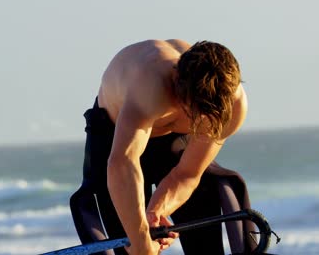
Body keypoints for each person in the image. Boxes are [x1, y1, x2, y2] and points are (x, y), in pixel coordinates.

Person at [70, 39, 255, 255]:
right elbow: (122, 162)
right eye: (195, 112)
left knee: (205, 208)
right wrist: (141, 242)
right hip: (116, 138)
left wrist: (154, 215)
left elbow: (187, 174)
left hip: (173, 140)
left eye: (207, 117)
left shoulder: (234, 106)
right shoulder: (151, 84)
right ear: (177, 85)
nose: (201, 120)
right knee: (132, 246)